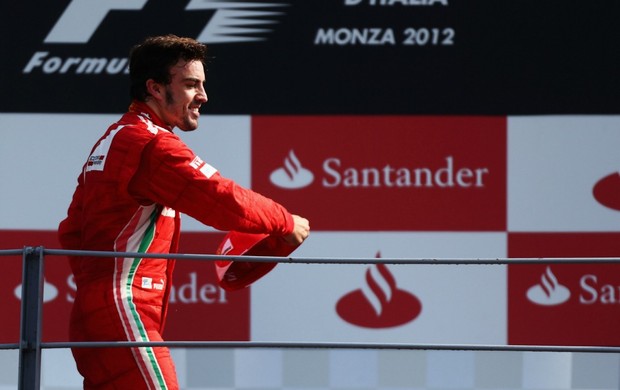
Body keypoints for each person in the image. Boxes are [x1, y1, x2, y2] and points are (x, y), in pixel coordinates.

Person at [58, 34, 310, 390]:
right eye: (192, 84)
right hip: (124, 307)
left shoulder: (113, 138)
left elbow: (71, 230)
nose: (204, 96)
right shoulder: (151, 144)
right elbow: (220, 198)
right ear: (155, 88)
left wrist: (99, 292)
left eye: (202, 85)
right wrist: (285, 221)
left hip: (97, 311)